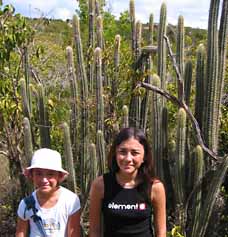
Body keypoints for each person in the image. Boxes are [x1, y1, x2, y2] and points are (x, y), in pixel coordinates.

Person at [89, 127, 166, 237]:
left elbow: (161, 231)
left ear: (144, 156)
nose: (128, 158)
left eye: (135, 153)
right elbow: (94, 230)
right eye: (122, 152)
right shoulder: (100, 185)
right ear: (115, 153)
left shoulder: (155, 187)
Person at [16, 148, 81, 237]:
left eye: (50, 174)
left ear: (59, 176)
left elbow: (74, 233)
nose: (44, 180)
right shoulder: (25, 204)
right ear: (32, 176)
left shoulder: (70, 201)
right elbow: (21, 232)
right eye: (39, 174)